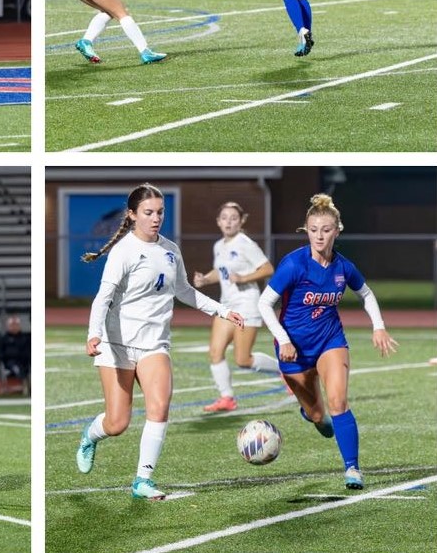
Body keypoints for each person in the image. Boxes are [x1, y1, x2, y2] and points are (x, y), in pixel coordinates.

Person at [76, 183, 244, 500]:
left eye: (160, 212)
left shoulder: (170, 250)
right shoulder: (123, 251)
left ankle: (142, 481)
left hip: (155, 345)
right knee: (117, 423)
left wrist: (222, 310)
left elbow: (184, 291)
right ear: (132, 215)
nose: (156, 218)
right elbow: (103, 298)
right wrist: (93, 333)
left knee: (159, 406)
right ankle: (90, 435)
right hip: (118, 345)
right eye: (148, 212)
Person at [257, 193, 399, 490]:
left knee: (338, 402)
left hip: (330, 340)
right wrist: (283, 339)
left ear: (337, 230)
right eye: (313, 230)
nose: (319, 236)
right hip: (293, 349)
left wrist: (379, 327)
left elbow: (366, 294)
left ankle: (353, 469)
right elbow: (263, 304)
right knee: (320, 418)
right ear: (305, 231)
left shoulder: (343, 267)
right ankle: (313, 415)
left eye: (325, 230)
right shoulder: (293, 265)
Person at [192, 202, 278, 412]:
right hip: (227, 306)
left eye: (233, 218)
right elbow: (220, 271)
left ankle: (285, 370)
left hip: (247, 304)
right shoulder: (219, 246)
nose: (229, 222)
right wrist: (205, 279)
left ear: (241, 221)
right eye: (225, 218)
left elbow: (268, 268)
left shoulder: (245, 243)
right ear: (218, 222)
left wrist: (244, 277)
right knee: (215, 352)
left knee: (243, 359)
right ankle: (227, 398)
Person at [0, 314, 31, 395]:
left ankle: (27, 386)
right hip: (10, 362)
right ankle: (24, 385)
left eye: (16, 325)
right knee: (17, 368)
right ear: (8, 326)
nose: (14, 327)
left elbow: (28, 352)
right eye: (12, 325)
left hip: (24, 361)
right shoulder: (4, 339)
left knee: (26, 368)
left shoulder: (24, 338)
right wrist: (4, 358)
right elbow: (0, 352)